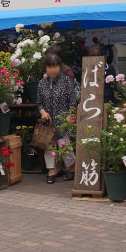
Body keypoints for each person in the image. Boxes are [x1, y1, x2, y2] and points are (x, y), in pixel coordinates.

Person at [37, 54, 77, 184]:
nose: (52, 70)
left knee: (64, 145)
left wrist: (70, 114)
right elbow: (39, 102)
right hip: (48, 121)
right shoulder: (41, 83)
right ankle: (51, 170)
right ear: (46, 67)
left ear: (59, 67)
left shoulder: (65, 81)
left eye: (55, 67)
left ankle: (71, 168)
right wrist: (42, 111)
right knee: (49, 147)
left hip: (62, 120)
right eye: (50, 67)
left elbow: (72, 100)